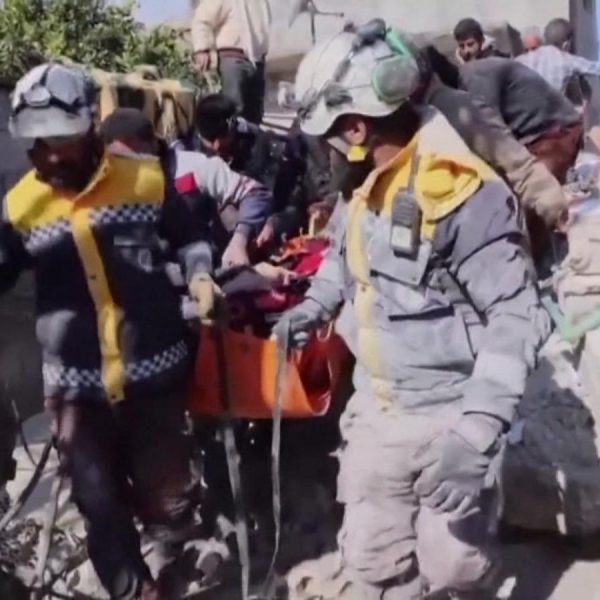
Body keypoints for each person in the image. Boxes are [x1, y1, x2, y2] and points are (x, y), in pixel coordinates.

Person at [277, 22, 550, 600]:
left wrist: (476, 433)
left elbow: (515, 315)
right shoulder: (364, 184)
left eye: (327, 134)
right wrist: (314, 306)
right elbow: (345, 258)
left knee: (455, 567)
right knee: (374, 561)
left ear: (356, 128)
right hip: (378, 410)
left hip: (451, 412)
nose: (324, 149)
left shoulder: (461, 192)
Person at [0, 63, 224, 600]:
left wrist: (200, 274)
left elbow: (189, 236)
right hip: (76, 393)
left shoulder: (144, 180)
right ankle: (136, 592)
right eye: (35, 145)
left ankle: (179, 545)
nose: (46, 157)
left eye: (58, 142)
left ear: (88, 131)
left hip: (155, 381)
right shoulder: (20, 207)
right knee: (99, 505)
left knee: (166, 492)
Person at [99, 107, 273, 267]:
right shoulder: (106, 183)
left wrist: (239, 241)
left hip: (206, 268)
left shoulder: (193, 167)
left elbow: (255, 192)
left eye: (127, 154)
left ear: (150, 143)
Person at [186, 93, 312, 248]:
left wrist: (274, 225)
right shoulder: (189, 149)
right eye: (210, 140)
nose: (216, 146)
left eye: (222, 137)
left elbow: (293, 204)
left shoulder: (263, 148)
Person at [191, 0, 271, 124]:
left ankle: (250, 136)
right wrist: (202, 49)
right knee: (234, 110)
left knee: (255, 114)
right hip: (233, 58)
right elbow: (202, 20)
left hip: (257, 60)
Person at [517, 17, 600, 92]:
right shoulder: (567, 60)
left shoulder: (521, 60)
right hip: (551, 104)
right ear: (566, 44)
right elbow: (595, 68)